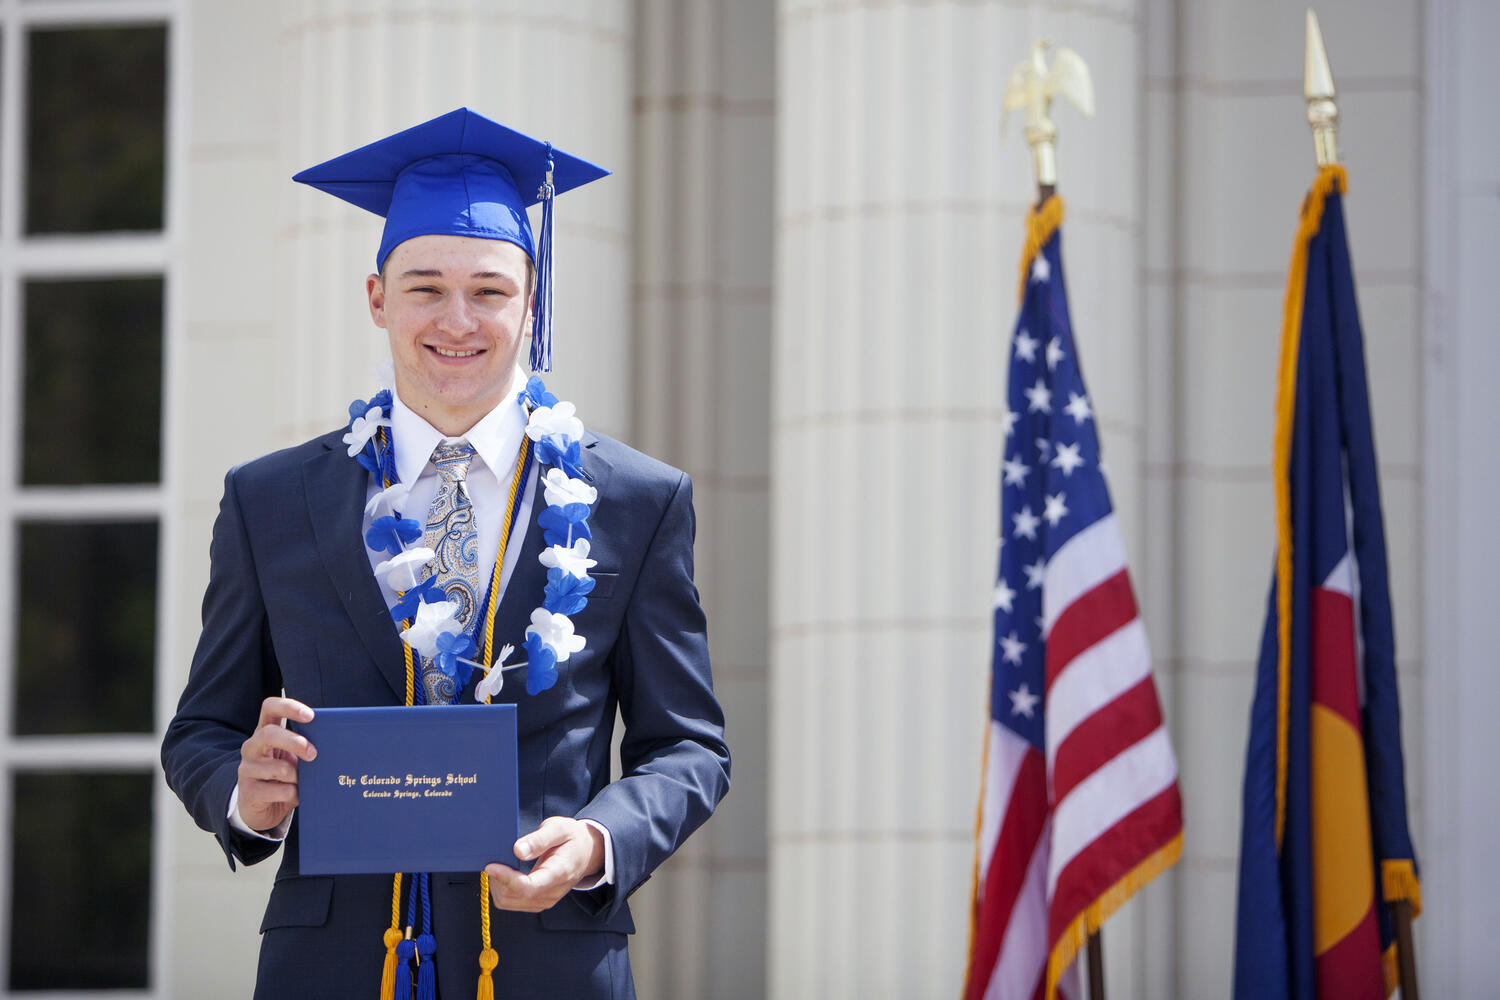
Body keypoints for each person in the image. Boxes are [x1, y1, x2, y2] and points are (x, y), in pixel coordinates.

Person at [161, 108, 730, 999]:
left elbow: (688, 747)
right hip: (333, 967)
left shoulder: (635, 499)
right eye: (425, 287)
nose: (457, 320)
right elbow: (200, 731)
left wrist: (595, 844)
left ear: (530, 299)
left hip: (547, 961)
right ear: (378, 298)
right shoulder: (270, 500)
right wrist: (245, 798)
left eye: (490, 290)